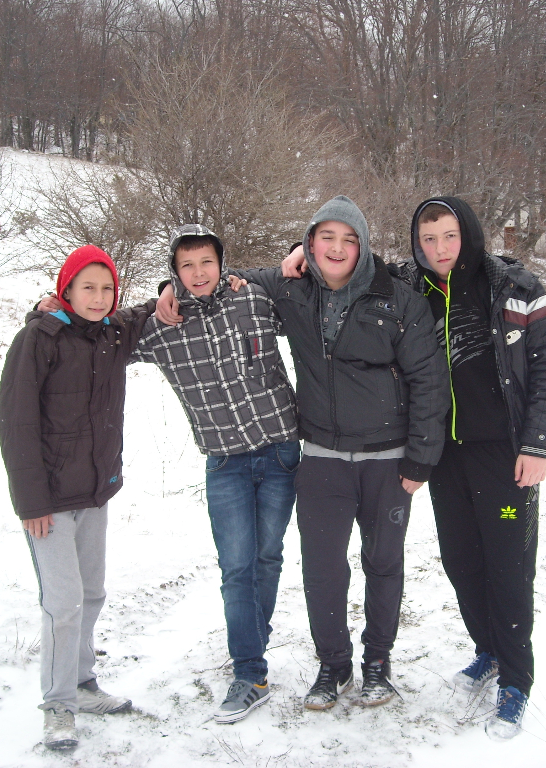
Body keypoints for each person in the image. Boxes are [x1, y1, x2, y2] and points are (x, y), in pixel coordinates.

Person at [287, 197, 546, 737]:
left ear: (469, 235)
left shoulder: (514, 287)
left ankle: (516, 678)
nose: (440, 249)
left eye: (449, 236)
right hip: (445, 455)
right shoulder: (409, 287)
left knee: (509, 564)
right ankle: (488, 649)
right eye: (428, 239)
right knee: (462, 561)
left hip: (503, 454)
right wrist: (298, 256)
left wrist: (536, 445)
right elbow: (351, 267)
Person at [157, 197, 449, 710]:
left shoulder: (398, 298)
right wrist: (169, 287)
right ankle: (333, 665)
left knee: (383, 563)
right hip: (321, 456)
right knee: (322, 569)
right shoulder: (290, 289)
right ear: (310, 243)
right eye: (325, 237)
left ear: (362, 246)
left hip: (388, 459)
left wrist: (422, 457)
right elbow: (214, 277)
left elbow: (429, 377)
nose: (337, 248)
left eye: (348, 239)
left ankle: (377, 663)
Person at [130, 224, 300, 724]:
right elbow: (100, 331)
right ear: (174, 273)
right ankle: (250, 672)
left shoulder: (254, 299)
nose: (198, 273)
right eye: (186, 266)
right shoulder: (162, 326)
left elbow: (303, 285)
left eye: (207, 261)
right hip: (225, 464)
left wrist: (296, 251)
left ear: (222, 264)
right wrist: (48, 309)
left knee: (268, 558)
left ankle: (252, 639)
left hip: (281, 453)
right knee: (237, 568)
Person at [0, 245, 155, 750]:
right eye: (88, 287)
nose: (99, 297)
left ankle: (84, 684)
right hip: (48, 503)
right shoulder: (39, 339)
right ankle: (58, 703)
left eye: (107, 288)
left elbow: (146, 311)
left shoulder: (111, 334)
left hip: (93, 494)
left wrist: (171, 291)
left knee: (91, 594)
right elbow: (16, 422)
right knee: (62, 603)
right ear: (65, 289)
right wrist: (31, 503)